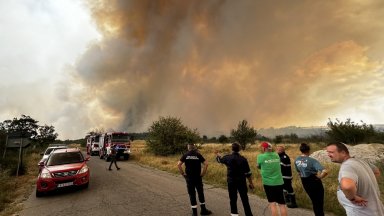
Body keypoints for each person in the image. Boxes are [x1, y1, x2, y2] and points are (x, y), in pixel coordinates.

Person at [326, 142, 384, 216]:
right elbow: (376, 171)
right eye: (328, 152)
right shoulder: (360, 161)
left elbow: (347, 186)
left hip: (361, 212)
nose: (328, 155)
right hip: (373, 210)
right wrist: (367, 182)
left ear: (343, 153)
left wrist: (352, 198)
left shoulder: (347, 166)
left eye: (331, 152)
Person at [215, 142, 254, 216]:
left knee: (233, 199)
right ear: (239, 149)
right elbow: (248, 173)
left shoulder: (227, 157)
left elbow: (219, 160)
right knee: (244, 199)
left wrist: (217, 155)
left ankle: (234, 214)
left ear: (231, 149)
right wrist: (251, 183)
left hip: (231, 181)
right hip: (241, 181)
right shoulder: (243, 159)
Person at [177, 143, 212, 216]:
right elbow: (206, 164)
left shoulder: (185, 155)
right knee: (200, 193)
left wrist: (183, 174)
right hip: (198, 177)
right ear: (194, 148)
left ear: (188, 148)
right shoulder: (198, 154)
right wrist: (202, 174)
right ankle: (203, 210)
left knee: (192, 194)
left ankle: (194, 213)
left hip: (189, 178)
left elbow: (179, 164)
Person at [294, 143, 328, 216]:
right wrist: (320, 177)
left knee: (314, 201)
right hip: (314, 181)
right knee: (319, 202)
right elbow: (325, 171)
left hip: (305, 182)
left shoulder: (296, 159)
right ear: (308, 150)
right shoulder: (312, 160)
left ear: (301, 150)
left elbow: (298, 172)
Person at [257, 142, 287, 216]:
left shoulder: (260, 156)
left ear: (264, 148)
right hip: (279, 182)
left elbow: (258, 166)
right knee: (281, 204)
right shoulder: (276, 155)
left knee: (273, 204)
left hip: (268, 183)